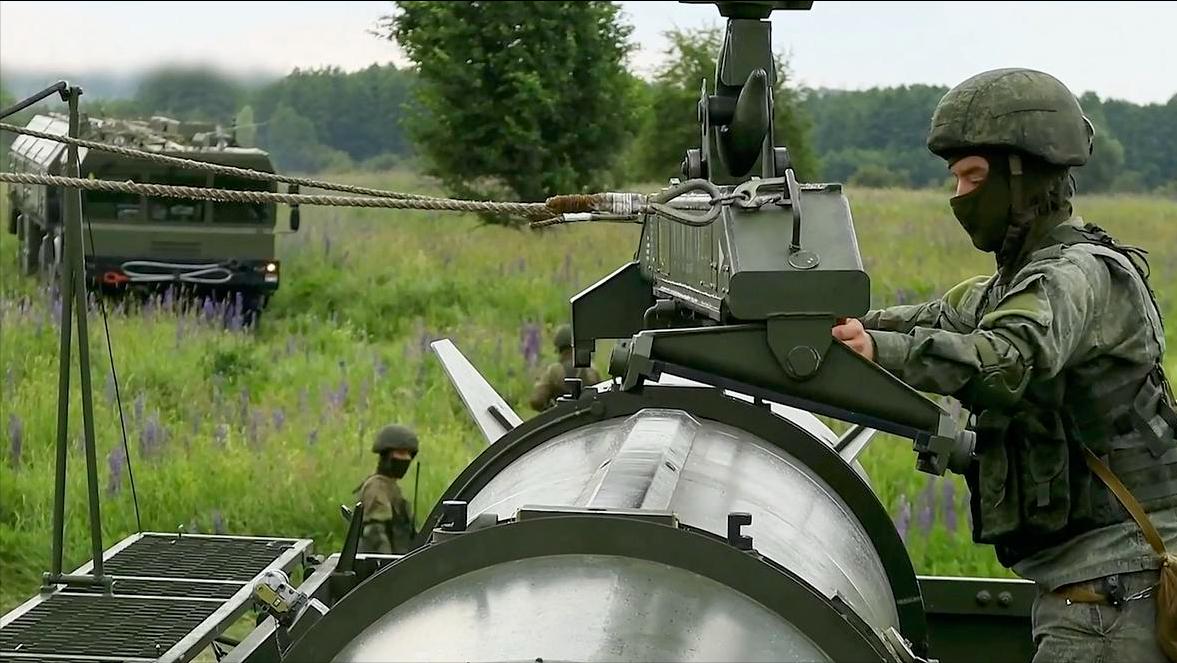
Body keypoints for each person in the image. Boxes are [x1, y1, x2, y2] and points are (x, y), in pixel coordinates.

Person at [832, 68, 1177, 661]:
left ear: (1024, 180)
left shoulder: (1074, 278)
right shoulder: (1015, 284)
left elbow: (1005, 360)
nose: (959, 195)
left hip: (1112, 600)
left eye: (973, 177)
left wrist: (876, 352)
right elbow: (933, 320)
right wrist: (834, 323)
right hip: (1092, 592)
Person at [355, 424, 419, 554]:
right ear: (387, 456)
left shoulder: (391, 487)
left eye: (408, 454)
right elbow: (375, 534)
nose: (406, 459)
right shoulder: (376, 487)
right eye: (401, 453)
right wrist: (387, 563)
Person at [528, 324, 602, 411]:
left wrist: (550, 410)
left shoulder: (553, 371)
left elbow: (536, 401)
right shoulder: (592, 370)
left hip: (563, 417)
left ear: (559, 348)